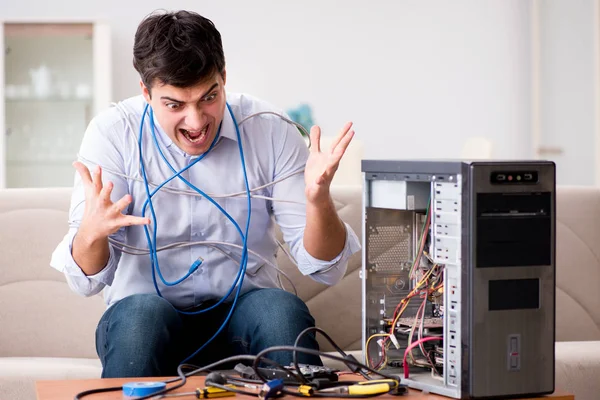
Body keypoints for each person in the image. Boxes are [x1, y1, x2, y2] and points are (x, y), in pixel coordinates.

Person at [50, 9, 360, 378]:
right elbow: (82, 280)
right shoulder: (113, 134)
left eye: (208, 98)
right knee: (141, 319)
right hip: (148, 322)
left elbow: (325, 267)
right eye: (175, 105)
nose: (196, 122)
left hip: (245, 314)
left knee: (280, 310)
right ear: (146, 93)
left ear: (224, 77)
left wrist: (318, 200)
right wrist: (91, 233)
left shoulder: (268, 129)